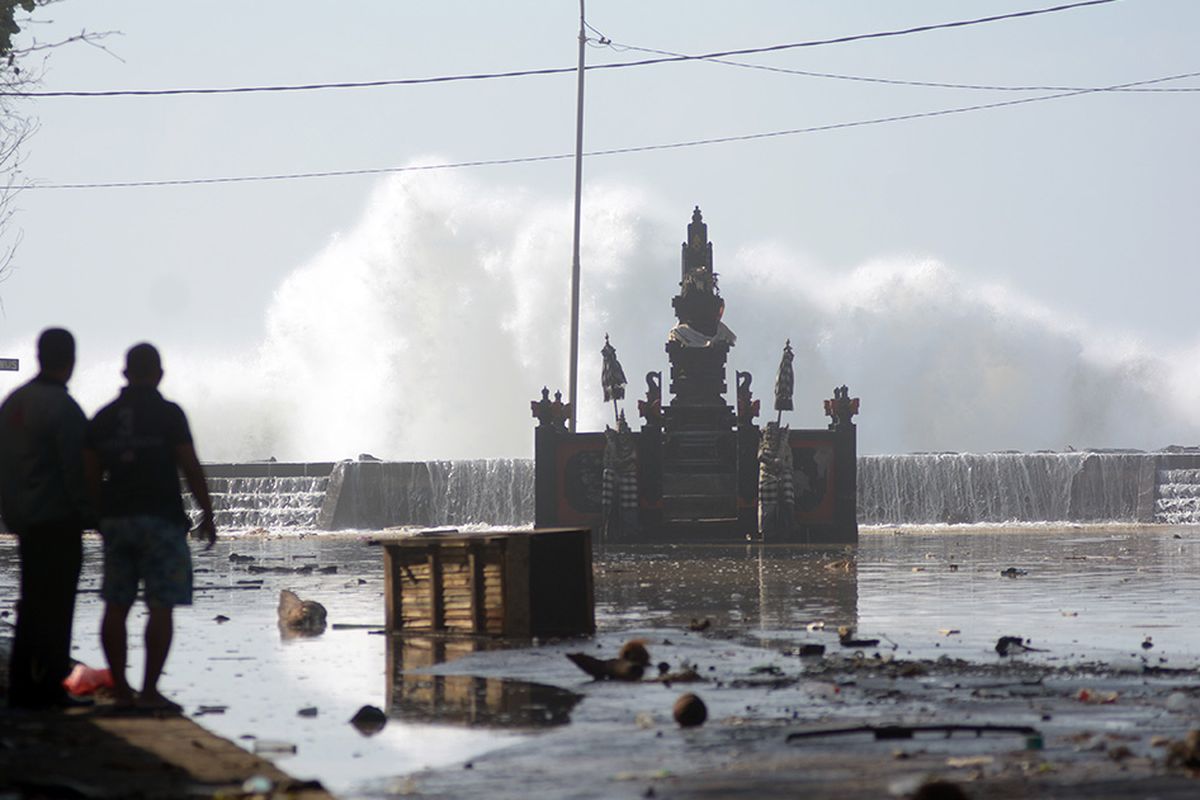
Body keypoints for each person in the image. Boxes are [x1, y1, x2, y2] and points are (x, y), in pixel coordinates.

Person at [84, 342, 216, 710]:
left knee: (116, 604)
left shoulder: (104, 417)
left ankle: (122, 690)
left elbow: (90, 473)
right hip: (162, 521)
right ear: (159, 374)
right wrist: (208, 514)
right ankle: (150, 690)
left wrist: (98, 515)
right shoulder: (169, 414)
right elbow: (190, 466)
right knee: (161, 606)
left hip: (118, 522)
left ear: (125, 374)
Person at [0, 327, 91, 709]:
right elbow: (76, 472)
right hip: (57, 521)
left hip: (23, 519)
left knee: (33, 600)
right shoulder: (62, 408)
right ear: (70, 361)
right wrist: (92, 515)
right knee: (57, 605)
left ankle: (23, 682)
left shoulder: (14, 402)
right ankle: (51, 685)